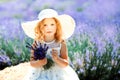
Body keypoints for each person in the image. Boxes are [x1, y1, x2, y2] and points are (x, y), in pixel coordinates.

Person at [21, 9, 79, 80]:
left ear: (57, 26)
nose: (49, 28)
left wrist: (57, 59)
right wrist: (40, 62)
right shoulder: (37, 42)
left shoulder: (61, 42)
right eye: (45, 25)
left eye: (52, 24)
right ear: (40, 28)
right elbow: (32, 63)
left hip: (58, 73)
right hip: (41, 73)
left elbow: (65, 63)